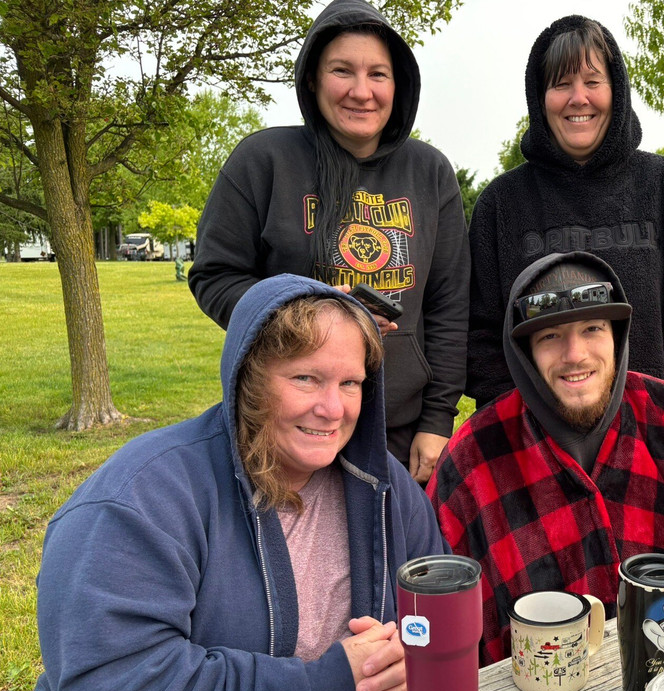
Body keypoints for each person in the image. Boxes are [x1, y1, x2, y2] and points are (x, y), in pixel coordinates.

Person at [0, 275, 448, 691]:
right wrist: (320, 690)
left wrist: (410, 657)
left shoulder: (383, 487)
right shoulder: (141, 499)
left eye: (350, 383)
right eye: (306, 378)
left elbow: (437, 604)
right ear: (250, 380)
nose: (333, 408)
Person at [188, 0, 469, 485]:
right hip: (289, 425)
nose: (362, 91)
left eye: (378, 74)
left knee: (398, 558)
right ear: (313, 79)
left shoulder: (430, 171)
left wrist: (437, 418)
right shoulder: (264, 161)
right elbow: (214, 276)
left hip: (399, 429)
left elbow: (449, 305)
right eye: (343, 70)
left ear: (397, 85)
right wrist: (301, 311)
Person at [428, 252, 664, 665]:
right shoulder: (474, 459)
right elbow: (439, 630)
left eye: (593, 328)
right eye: (550, 335)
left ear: (617, 335)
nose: (575, 354)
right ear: (523, 350)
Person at [466, 15, 664, 415]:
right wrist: (520, 424)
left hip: (656, 436)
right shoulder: (501, 205)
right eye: (561, 84)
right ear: (540, 98)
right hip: (536, 445)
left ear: (617, 90)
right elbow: (479, 332)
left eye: (593, 81)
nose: (578, 98)